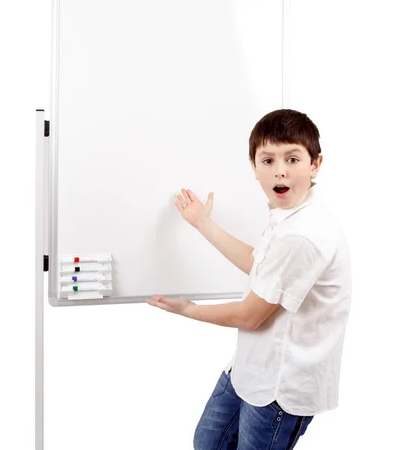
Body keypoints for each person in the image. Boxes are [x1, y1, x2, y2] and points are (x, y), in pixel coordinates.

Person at [146, 108, 352, 450]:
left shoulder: (304, 235)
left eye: (292, 159)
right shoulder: (287, 213)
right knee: (208, 442)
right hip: (250, 367)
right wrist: (203, 223)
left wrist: (188, 309)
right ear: (254, 167)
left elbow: (251, 316)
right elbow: (262, 266)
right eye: (268, 160)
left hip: (282, 387)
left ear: (315, 164)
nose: (280, 170)